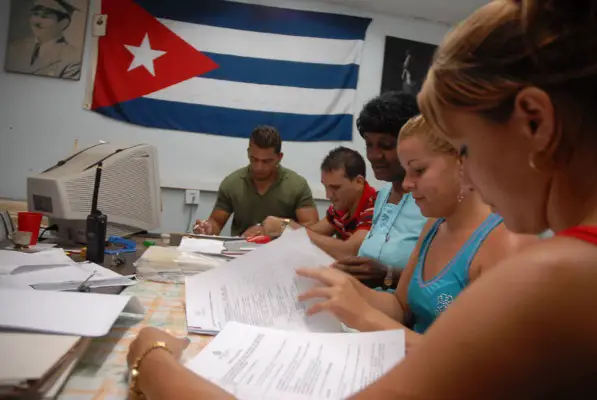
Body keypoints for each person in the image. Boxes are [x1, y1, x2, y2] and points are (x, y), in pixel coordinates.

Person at [128, 0, 597, 397]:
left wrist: (150, 357)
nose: (468, 174)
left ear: (535, 123)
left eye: (467, 149)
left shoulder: (554, 276)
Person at [299, 114, 538, 348]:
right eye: (406, 171)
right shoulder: (434, 225)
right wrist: (346, 286)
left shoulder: (505, 242)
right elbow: (400, 307)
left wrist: (365, 317)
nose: (406, 183)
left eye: (418, 170)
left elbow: (476, 364)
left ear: (463, 164)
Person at [333, 92, 427, 290]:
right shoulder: (382, 195)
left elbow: (442, 285)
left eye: (386, 145)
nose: (374, 155)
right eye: (369, 144)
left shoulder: (432, 201)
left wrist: (389, 276)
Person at [193, 126, 318, 237]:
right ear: (248, 153)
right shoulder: (232, 183)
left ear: (279, 158)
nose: (259, 167)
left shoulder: (297, 185)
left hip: (284, 255)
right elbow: (217, 222)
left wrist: (278, 227)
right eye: (254, 159)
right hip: (240, 254)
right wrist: (207, 229)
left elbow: (313, 231)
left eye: (267, 161)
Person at [262, 146, 377, 260]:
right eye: (325, 187)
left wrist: (285, 226)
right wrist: (283, 225)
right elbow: (313, 234)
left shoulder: (375, 206)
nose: (328, 195)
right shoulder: (343, 206)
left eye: (335, 188)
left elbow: (348, 252)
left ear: (359, 182)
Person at [5, 0, 82, 80]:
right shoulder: (14, 48)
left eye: (44, 16)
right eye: (35, 14)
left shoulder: (73, 59)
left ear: (63, 23)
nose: (37, 22)